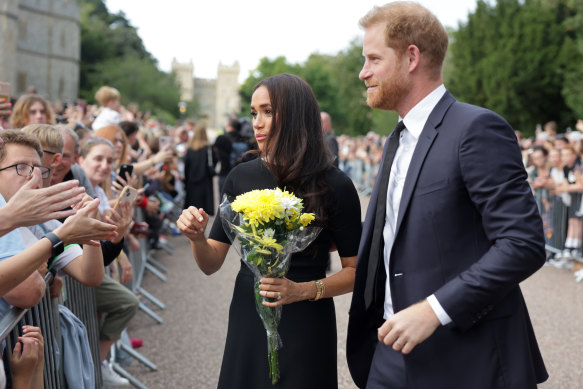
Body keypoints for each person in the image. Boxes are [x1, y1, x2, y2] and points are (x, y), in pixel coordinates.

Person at [346, 3, 548, 389]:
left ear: (411, 57)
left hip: (466, 359)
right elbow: (397, 233)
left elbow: (523, 243)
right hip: (386, 355)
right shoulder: (396, 139)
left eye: (373, 59)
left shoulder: (476, 129)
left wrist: (435, 310)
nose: (363, 72)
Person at [177, 73, 362, 388]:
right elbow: (210, 264)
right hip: (248, 310)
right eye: (253, 113)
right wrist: (196, 237)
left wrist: (302, 291)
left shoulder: (336, 185)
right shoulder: (240, 177)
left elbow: (355, 271)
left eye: (268, 111)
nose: (257, 123)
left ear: (294, 115)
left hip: (307, 318)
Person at [183, 124, 216, 215]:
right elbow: (214, 161)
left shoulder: (190, 149)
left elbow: (187, 167)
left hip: (192, 182)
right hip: (205, 181)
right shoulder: (208, 148)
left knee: (193, 208)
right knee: (203, 209)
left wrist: (185, 181)